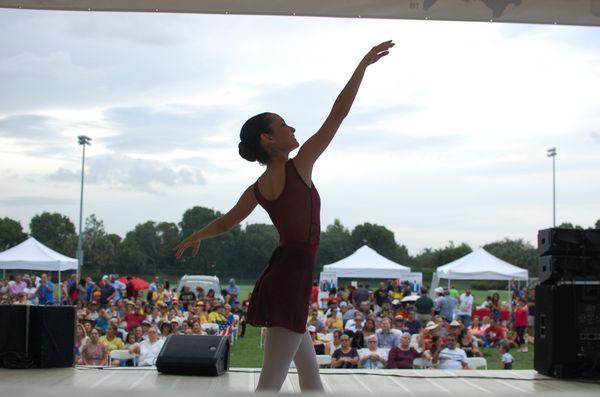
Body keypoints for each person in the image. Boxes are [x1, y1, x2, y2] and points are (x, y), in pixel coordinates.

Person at [173, 40, 394, 391]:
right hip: (289, 277)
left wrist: (196, 236)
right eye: (283, 125)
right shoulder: (300, 165)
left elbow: (226, 222)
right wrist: (363, 65)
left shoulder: (259, 187)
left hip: (287, 274)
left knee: (310, 379)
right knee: (269, 386)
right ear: (268, 140)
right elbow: (338, 114)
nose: (292, 128)